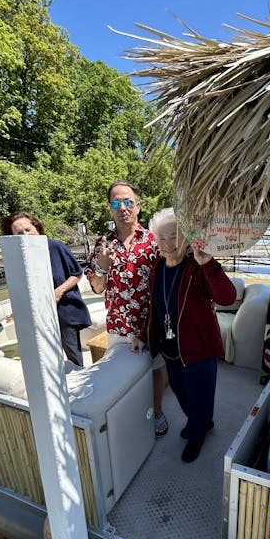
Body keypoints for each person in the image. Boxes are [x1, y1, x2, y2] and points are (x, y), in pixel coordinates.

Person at [133, 207, 237, 463]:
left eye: (174, 237)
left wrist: (209, 264)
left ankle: (197, 434)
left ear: (187, 238)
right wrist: (144, 337)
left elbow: (227, 297)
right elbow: (156, 308)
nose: (167, 244)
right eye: (162, 238)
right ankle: (202, 421)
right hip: (170, 349)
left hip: (199, 349)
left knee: (200, 395)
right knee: (181, 394)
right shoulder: (157, 267)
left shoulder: (198, 266)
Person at [84, 181, 169, 437]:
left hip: (151, 321)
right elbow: (98, 288)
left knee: (156, 369)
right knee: (121, 375)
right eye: (116, 203)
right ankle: (131, 415)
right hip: (119, 325)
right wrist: (102, 266)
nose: (123, 208)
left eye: (128, 202)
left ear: (138, 206)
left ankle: (156, 412)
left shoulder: (154, 241)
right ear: (110, 209)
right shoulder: (102, 245)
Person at [0, 212, 91, 368]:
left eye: (28, 230)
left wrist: (58, 291)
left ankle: (78, 379)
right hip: (38, 313)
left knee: (73, 354)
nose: (25, 235)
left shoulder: (55, 246)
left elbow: (77, 273)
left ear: (37, 228)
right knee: (47, 354)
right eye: (19, 233)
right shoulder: (18, 257)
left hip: (64, 310)